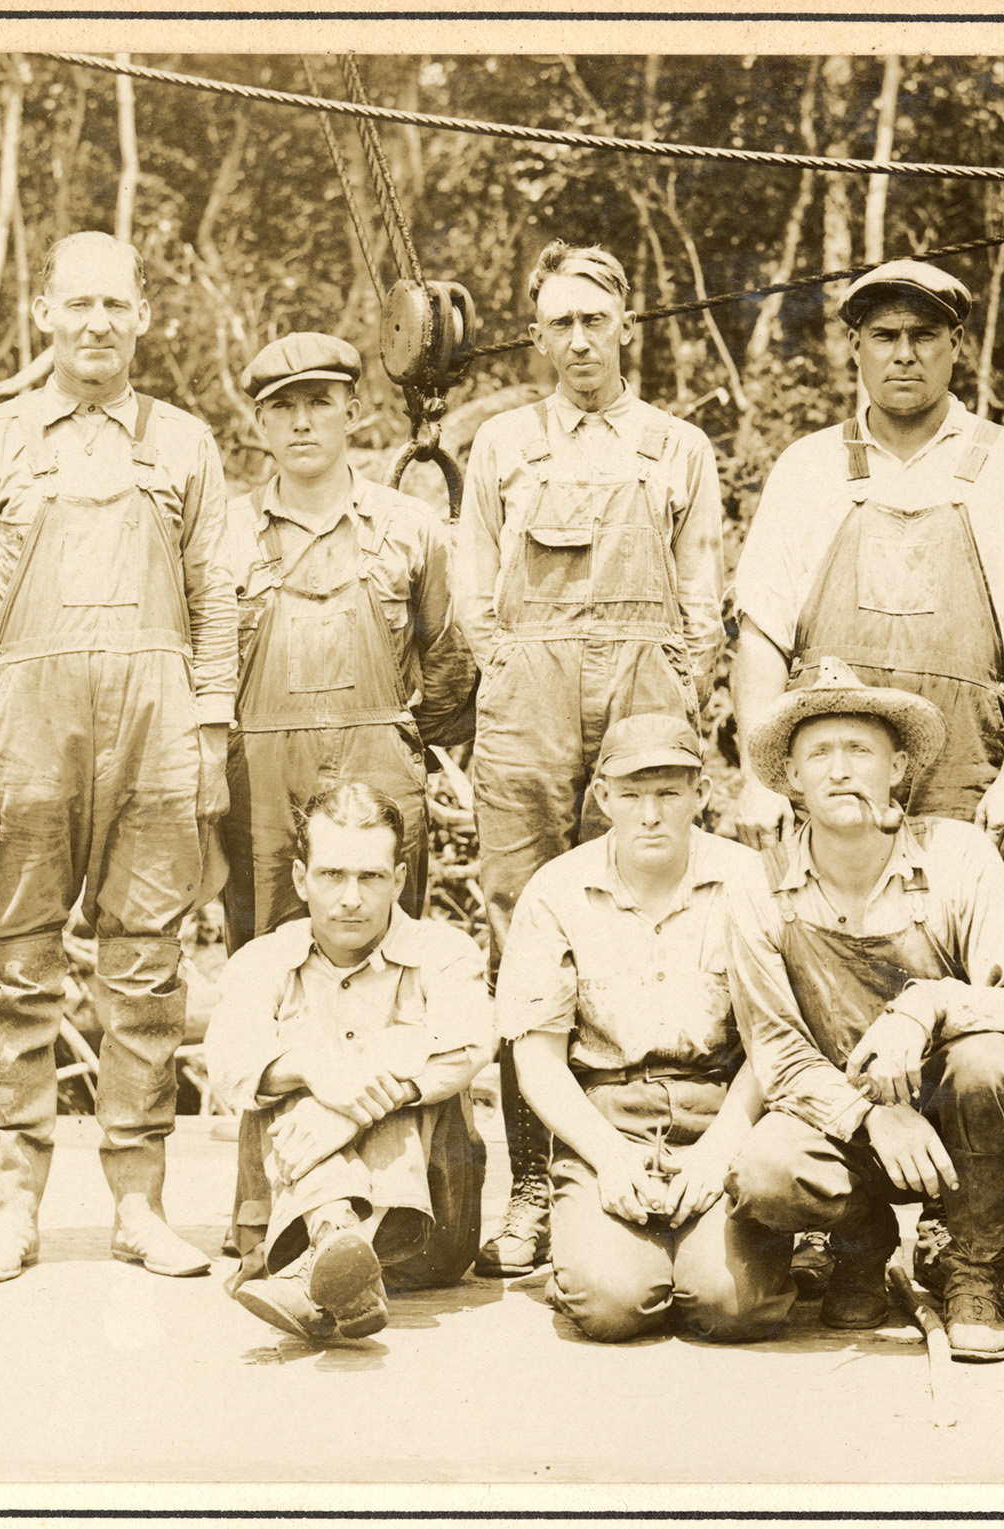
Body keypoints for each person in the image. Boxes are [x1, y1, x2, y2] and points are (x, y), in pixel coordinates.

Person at [0, 230, 236, 1283]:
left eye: (116, 306)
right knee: (16, 962)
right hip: (25, 727)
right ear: (44, 314)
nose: (97, 324)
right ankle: (11, 1202)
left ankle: (140, 1203)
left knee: (146, 964)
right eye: (78, 305)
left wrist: (211, 740)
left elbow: (216, 603)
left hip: (157, 728)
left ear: (143, 318)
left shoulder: (186, 443)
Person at [455, 240, 726, 1279]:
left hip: (643, 680)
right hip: (530, 687)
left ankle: (668, 1153)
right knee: (520, 921)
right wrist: (515, 667)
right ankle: (532, 1180)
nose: (578, 340)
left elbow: (705, 592)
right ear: (539, 333)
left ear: (627, 327)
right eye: (559, 321)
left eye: (594, 320)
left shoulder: (675, 446)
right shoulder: (502, 444)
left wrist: (667, 671)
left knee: (653, 896)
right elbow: (475, 584)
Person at [724, 658, 1004, 1362]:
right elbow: (780, 1052)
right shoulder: (755, 886)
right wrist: (874, 1113)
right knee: (765, 1169)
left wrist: (927, 1006)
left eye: (861, 750)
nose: (841, 769)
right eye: (820, 752)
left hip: (953, 1127)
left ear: (899, 765)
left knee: (987, 1060)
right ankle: (860, 1242)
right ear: (791, 778)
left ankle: (970, 1264)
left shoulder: (960, 856)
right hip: (842, 1122)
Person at [730, 258, 1004, 855]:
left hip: (965, 785)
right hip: (825, 782)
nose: (905, 354)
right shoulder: (809, 467)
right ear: (855, 346)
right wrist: (757, 779)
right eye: (886, 336)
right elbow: (762, 635)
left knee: (955, 941)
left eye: (924, 336)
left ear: (957, 344)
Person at [498, 714, 795, 1343]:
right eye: (630, 794)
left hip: (724, 1106)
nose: (649, 814)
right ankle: (587, 1250)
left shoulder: (751, 880)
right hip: (607, 1112)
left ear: (701, 794)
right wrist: (607, 1157)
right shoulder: (556, 890)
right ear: (602, 797)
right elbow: (539, 1061)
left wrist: (718, 1153)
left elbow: (775, 1041)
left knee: (729, 1308)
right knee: (610, 1305)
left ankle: (721, 1252)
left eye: (668, 793)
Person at [219, 331, 476, 947]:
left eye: (320, 403)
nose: (301, 423)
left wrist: (390, 743)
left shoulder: (410, 530)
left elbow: (448, 670)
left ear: (353, 412)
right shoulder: (221, 537)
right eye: (283, 407)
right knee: (265, 962)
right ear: (259, 423)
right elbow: (200, 673)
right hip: (260, 788)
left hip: (381, 773)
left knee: (388, 955)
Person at [213, 783, 494, 1342]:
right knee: (290, 1072)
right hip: (277, 1227)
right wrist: (313, 1072)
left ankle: (323, 1258)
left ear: (399, 878)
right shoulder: (264, 960)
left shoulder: (445, 952)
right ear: (300, 879)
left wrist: (346, 1107)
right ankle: (334, 1252)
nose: (350, 897)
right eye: (332, 875)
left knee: (404, 1082)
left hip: (424, 1233)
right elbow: (227, 1060)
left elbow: (469, 1043)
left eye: (370, 877)